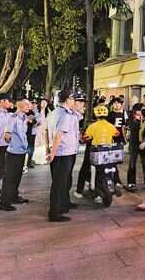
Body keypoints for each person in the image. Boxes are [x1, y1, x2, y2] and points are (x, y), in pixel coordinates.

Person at [47, 91, 80, 222]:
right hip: (63, 152)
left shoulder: (55, 112)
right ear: (67, 100)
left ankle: (64, 203)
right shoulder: (65, 115)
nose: (74, 101)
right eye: (72, 99)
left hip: (65, 152)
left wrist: (49, 149)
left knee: (65, 181)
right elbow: (58, 135)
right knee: (59, 183)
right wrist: (53, 153)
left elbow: (46, 131)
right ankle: (55, 212)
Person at [83, 105, 120, 203]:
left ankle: (93, 188)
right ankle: (115, 183)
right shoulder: (110, 125)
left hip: (97, 153)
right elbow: (117, 134)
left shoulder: (92, 126)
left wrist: (88, 138)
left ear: (96, 115)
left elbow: (85, 137)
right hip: (108, 154)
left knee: (93, 169)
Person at [0, 98, 31, 211]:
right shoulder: (13, 118)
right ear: (19, 105)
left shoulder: (24, 118)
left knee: (17, 176)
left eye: (29, 104)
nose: (29, 106)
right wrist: (12, 143)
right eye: (26, 104)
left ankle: (14, 196)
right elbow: (7, 134)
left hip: (21, 151)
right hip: (13, 152)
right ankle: (4, 202)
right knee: (9, 177)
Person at [107, 96, 127, 188]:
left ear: (121, 105)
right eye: (115, 103)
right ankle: (113, 180)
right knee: (110, 161)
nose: (116, 105)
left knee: (115, 161)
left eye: (118, 103)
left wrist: (124, 139)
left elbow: (123, 128)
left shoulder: (123, 114)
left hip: (119, 140)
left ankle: (114, 180)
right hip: (110, 140)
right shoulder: (109, 114)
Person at [126, 103, 144, 191]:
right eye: (140, 110)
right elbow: (132, 129)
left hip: (143, 143)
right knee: (132, 163)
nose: (142, 112)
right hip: (134, 143)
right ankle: (131, 182)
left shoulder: (144, 118)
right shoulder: (131, 119)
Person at [32, 98, 51, 165]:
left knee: (45, 144)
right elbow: (35, 121)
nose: (44, 104)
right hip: (38, 130)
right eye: (42, 103)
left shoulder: (48, 112)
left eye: (45, 103)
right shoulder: (37, 111)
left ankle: (44, 158)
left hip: (45, 130)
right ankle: (36, 159)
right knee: (38, 144)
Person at [24, 103, 38, 170]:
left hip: (30, 134)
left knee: (30, 148)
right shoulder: (20, 113)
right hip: (23, 134)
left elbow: (34, 122)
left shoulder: (31, 112)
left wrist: (31, 120)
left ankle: (28, 162)